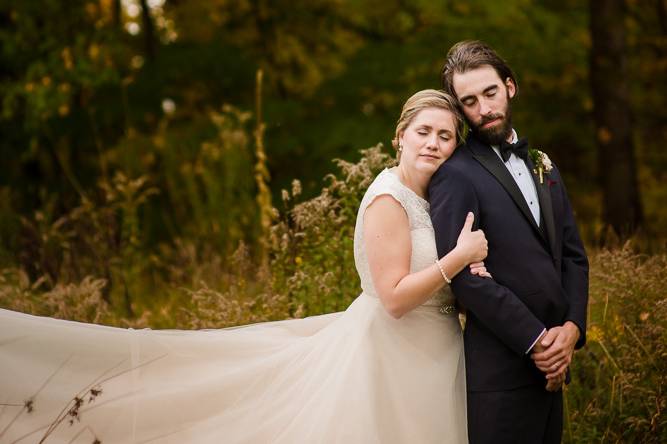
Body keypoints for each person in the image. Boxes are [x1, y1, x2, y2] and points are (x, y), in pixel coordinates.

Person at [0, 89, 487, 443]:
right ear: (399, 137)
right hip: (390, 359)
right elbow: (396, 298)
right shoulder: (388, 199)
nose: (434, 143)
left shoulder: (434, 199)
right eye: (423, 132)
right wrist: (457, 260)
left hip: (434, 355)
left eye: (445, 136)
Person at [430, 40, 589, 444]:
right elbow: (464, 277)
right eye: (469, 101)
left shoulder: (543, 164)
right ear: (459, 109)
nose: (484, 109)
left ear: (510, 87)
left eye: (490, 93)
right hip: (500, 378)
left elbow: (572, 257)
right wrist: (536, 341)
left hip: (556, 370)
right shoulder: (456, 175)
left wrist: (571, 330)